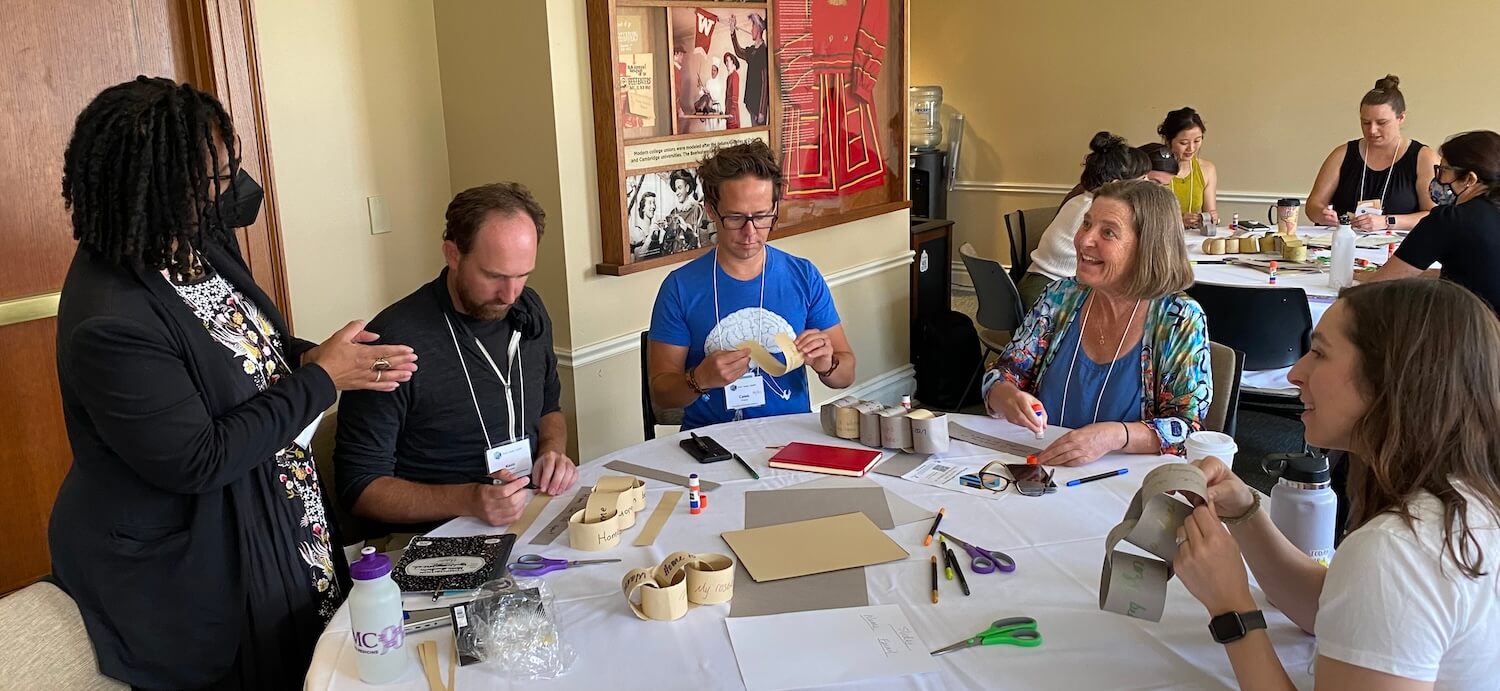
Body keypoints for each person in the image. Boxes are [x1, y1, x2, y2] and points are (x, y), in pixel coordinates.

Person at [48, 77, 418, 689]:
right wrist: (323, 379)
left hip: (273, 502)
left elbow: (247, 351)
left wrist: (328, 358)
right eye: (215, 177)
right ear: (164, 189)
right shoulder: (109, 321)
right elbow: (198, 457)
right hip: (187, 556)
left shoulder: (196, 244)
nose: (232, 188)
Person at [1175, 279, 1500, 689]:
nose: (1295, 373)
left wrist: (1230, 608)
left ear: (1391, 379)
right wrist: (1244, 515)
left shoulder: (1398, 550)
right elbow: (1332, 607)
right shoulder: (1467, 496)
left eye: (1320, 353)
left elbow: (1378, 580)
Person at [335, 183, 578, 538]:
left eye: (523, 275)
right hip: (432, 538)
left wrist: (552, 453)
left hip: (526, 515)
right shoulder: (393, 342)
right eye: (494, 276)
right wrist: (469, 500)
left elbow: (549, 410)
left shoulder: (529, 311)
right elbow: (358, 487)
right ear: (452, 254)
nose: (510, 294)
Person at [984, 180, 1210, 467]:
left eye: (1108, 232)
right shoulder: (1060, 297)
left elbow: (1186, 429)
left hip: (1122, 484)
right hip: (1042, 467)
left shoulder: (1179, 318)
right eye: (1086, 224)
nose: (1084, 240)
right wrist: (1005, 395)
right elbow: (1003, 372)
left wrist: (1115, 436)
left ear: (1146, 248)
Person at [648, 140, 856, 429]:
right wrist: (700, 379)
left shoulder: (803, 276)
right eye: (735, 217)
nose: (750, 232)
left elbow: (846, 374)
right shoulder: (680, 288)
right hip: (710, 443)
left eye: (761, 217)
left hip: (790, 436)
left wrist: (827, 364)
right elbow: (662, 394)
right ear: (711, 210)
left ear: (775, 208)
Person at [1358, 131, 1500, 310]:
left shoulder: (1449, 219)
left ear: (1470, 179)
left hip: (1474, 330)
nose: (1437, 179)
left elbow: (1377, 286)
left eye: (1443, 171)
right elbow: (1471, 276)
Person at [1020, 132, 1150, 310]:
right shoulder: (1094, 212)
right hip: (1048, 295)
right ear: (1116, 184)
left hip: (1040, 282)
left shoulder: (1082, 200)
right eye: (1142, 180)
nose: (1148, 184)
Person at [1306, 75, 1439, 230]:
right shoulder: (1342, 154)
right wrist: (1322, 214)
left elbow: (1433, 215)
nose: (1372, 130)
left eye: (1382, 123)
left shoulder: (1424, 158)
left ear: (1401, 118)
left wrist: (1386, 222)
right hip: (1344, 242)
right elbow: (1312, 206)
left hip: (1399, 249)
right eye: (1365, 122)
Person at [1159, 107, 1219, 230]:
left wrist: (1211, 217)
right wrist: (1178, 221)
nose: (1191, 148)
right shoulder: (1154, 172)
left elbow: (1210, 212)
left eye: (1197, 140)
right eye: (1184, 143)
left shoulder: (1207, 169)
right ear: (1167, 140)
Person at [730, 13, 769, 126]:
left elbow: (765, 82)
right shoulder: (752, 51)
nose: (751, 30)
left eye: (753, 26)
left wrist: (761, 111)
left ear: (759, 28)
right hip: (750, 103)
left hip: (758, 108)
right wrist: (732, 32)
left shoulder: (764, 52)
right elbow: (738, 51)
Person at [629, 191, 662, 260]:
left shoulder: (656, 230)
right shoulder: (637, 231)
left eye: (654, 203)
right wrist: (650, 235)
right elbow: (638, 258)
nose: (653, 206)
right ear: (643, 208)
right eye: (650, 203)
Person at [723, 52, 742, 129]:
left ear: (733, 62)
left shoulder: (735, 75)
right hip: (728, 113)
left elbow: (734, 96)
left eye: (728, 61)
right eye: (726, 61)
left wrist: (731, 113)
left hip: (733, 114)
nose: (727, 63)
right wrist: (726, 112)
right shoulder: (729, 77)